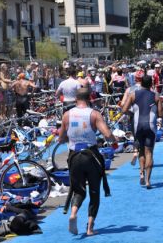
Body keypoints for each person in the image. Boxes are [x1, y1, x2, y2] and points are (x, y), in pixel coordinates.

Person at [58, 88, 117, 236]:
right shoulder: (94, 114)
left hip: (74, 156)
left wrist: (70, 137)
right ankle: (90, 228)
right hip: (91, 156)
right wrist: (114, 141)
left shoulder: (67, 115)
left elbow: (61, 138)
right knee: (94, 192)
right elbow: (107, 134)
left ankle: (73, 213)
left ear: (76, 99)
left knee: (78, 190)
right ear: (90, 98)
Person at [122, 75, 163, 189]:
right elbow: (160, 113)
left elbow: (124, 109)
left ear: (141, 84)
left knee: (141, 151)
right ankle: (148, 181)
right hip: (150, 126)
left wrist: (133, 114)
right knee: (149, 152)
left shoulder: (133, 94)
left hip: (138, 125)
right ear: (151, 84)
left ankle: (141, 172)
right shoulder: (156, 96)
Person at [120, 70, 144, 166]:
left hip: (134, 115)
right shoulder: (147, 89)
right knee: (145, 138)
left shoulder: (129, 90)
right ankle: (143, 155)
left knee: (136, 137)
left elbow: (122, 104)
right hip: (145, 115)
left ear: (135, 79)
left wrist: (128, 112)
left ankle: (135, 151)